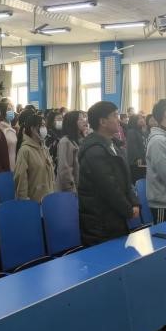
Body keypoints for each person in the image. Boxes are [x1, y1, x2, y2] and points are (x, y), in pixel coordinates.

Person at [77, 101, 140, 246]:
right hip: (100, 223)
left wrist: (134, 203)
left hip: (115, 218)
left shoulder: (113, 145)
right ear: (103, 122)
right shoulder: (94, 150)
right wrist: (128, 210)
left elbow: (127, 180)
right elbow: (109, 187)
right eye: (115, 115)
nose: (119, 120)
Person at [14, 113, 55, 202]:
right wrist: (24, 201)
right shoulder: (25, 150)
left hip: (48, 199)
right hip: (34, 201)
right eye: (42, 125)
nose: (45, 128)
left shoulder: (44, 148)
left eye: (45, 125)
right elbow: (21, 179)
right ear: (33, 129)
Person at [56, 111, 86, 193]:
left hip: (81, 188)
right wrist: (71, 189)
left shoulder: (81, 139)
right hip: (70, 190)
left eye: (84, 118)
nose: (84, 121)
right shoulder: (65, 142)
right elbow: (65, 169)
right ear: (72, 122)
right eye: (80, 119)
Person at [126, 114, 148, 183]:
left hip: (143, 160)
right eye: (139, 119)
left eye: (142, 118)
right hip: (136, 162)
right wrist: (137, 158)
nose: (142, 120)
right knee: (138, 181)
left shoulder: (141, 131)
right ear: (134, 121)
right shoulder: (131, 131)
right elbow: (132, 146)